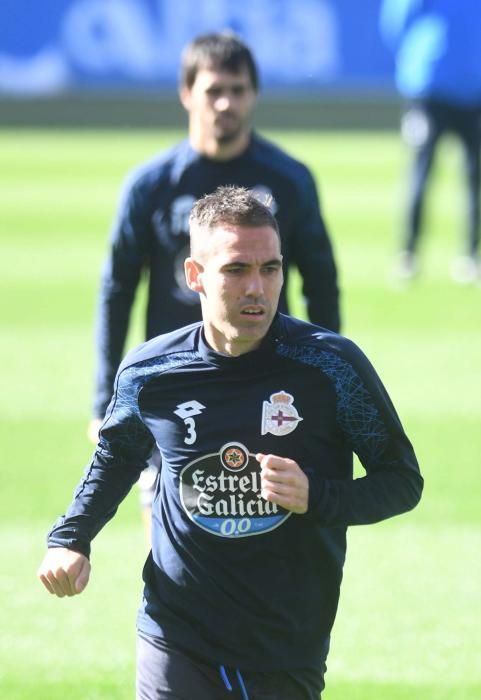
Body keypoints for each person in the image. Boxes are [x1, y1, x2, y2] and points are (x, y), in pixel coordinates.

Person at [38, 186, 422, 699]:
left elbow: (401, 481)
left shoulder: (332, 368)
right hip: (175, 632)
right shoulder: (152, 371)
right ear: (194, 275)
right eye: (237, 270)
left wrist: (318, 496)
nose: (258, 288)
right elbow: (116, 455)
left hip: (285, 643)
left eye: (271, 269)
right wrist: (71, 537)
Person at [87, 31, 341, 532]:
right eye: (213, 90)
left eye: (238, 89)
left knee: (262, 535)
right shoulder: (152, 185)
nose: (226, 102)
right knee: (164, 540)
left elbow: (322, 282)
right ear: (187, 93)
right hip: (171, 382)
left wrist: (328, 379)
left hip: (266, 382)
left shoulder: (289, 180)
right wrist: (103, 401)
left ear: (255, 94)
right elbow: (116, 290)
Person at [380, 0, 481, 283]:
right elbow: (396, 23)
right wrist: (417, 57)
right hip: (429, 87)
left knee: (474, 176)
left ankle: (471, 255)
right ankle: (408, 254)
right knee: (421, 171)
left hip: (474, 88)